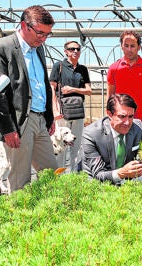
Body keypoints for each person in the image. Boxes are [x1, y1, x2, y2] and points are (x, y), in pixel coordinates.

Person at [0, 5, 58, 192]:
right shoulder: (1, 48)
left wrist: (48, 117)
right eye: (40, 33)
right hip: (18, 122)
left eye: (47, 35)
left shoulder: (38, 49)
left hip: (40, 118)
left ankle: (50, 214)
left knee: (52, 172)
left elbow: (42, 84)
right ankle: (22, 217)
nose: (43, 39)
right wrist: (8, 129)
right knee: (20, 177)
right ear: (24, 26)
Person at [79, 93, 142, 185]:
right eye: (122, 116)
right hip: (98, 183)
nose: (127, 122)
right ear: (109, 114)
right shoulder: (91, 134)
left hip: (126, 181)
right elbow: (98, 174)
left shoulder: (137, 128)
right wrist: (122, 173)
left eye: (131, 116)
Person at [49, 40, 91, 171]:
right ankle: (59, 174)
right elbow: (52, 87)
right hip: (62, 111)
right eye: (72, 49)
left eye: (78, 49)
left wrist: (73, 89)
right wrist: (54, 109)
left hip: (78, 111)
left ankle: (75, 174)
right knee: (60, 143)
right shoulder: (59, 66)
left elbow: (88, 90)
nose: (75, 51)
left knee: (76, 144)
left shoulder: (83, 69)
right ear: (65, 51)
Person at [107, 30, 142, 135]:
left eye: (132, 46)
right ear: (121, 46)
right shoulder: (114, 68)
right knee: (119, 151)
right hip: (119, 121)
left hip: (141, 122)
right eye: (126, 46)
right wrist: (114, 114)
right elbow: (110, 96)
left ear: (139, 47)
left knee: (140, 151)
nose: (129, 49)